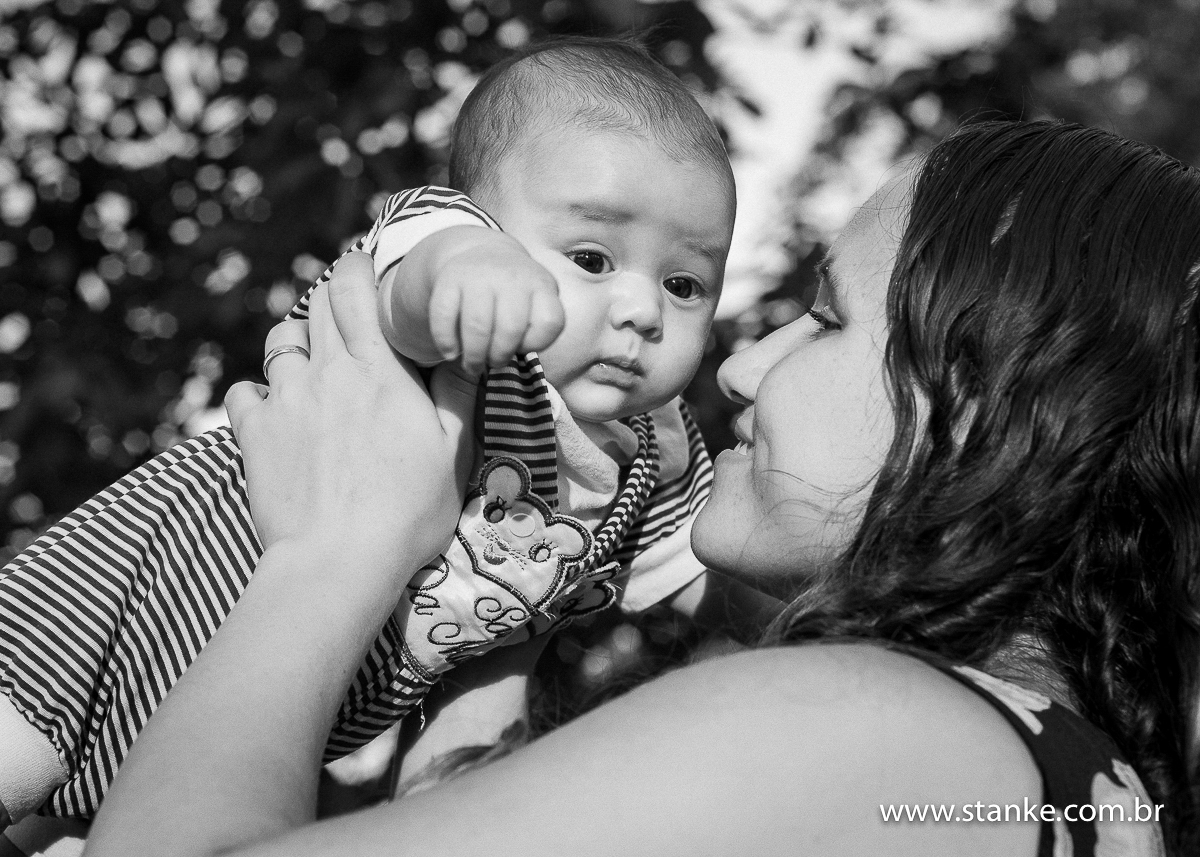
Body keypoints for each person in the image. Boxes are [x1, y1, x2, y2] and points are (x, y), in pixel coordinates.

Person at [79, 119, 1200, 857]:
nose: (740, 368)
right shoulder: (1085, 788)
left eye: (824, 319)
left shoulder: (882, 724)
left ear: (988, 397)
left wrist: (329, 554)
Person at [0, 37, 777, 847]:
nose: (643, 310)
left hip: (262, 702)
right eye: (591, 257)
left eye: (683, 283)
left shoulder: (652, 451)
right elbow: (409, 284)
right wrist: (470, 272)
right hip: (126, 599)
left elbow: (709, 581)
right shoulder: (470, 308)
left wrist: (821, 620)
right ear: (488, 221)